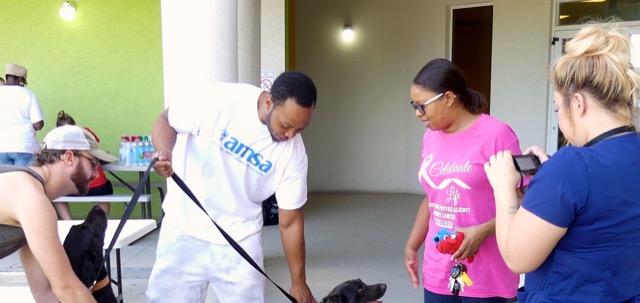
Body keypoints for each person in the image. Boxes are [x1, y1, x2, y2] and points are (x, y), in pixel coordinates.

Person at [484, 25, 640, 303]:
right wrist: (551, 178)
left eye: (558, 108)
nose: (560, 118)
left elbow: (517, 257)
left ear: (578, 103)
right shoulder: (583, 166)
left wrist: (502, 186)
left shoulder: (572, 166)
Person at [147, 71, 318, 303]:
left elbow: (290, 222)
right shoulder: (219, 100)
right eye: (286, 125)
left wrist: (299, 282)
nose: (290, 135)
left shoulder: (294, 154)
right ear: (268, 102)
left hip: (240, 239)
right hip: (183, 228)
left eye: (299, 129)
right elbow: (167, 120)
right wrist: (165, 151)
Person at [404, 58, 526, 302]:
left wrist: (482, 231)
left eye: (422, 106)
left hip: (487, 274)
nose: (418, 114)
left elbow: (525, 199)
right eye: (414, 106)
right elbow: (433, 197)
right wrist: (412, 245)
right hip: (439, 270)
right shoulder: (431, 137)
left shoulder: (496, 135)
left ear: (448, 98)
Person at [0, 124, 118, 302]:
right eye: (93, 163)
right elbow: (67, 288)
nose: (96, 173)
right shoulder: (31, 199)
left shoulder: (33, 199)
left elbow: (45, 292)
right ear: (69, 157)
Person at [53, 110, 115, 219]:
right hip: (98, 187)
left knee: (55, 195)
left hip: (73, 187)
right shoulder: (85, 132)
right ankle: (103, 222)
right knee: (106, 192)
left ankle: (69, 222)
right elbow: (96, 144)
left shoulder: (58, 141)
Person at [0, 63, 44, 166]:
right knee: (25, 180)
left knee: (4, 181)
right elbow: (38, 124)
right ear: (20, 79)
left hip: (1, 147)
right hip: (24, 146)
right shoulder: (28, 94)